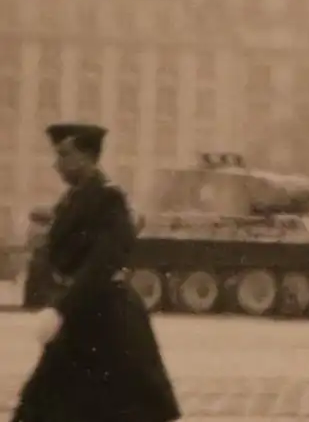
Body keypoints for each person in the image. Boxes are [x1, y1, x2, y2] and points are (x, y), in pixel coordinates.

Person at [10, 123, 182, 422]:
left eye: (64, 154)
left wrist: (60, 308)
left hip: (108, 317)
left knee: (116, 405)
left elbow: (102, 263)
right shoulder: (73, 199)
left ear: (87, 157)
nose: (56, 163)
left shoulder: (108, 199)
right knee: (50, 402)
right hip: (83, 314)